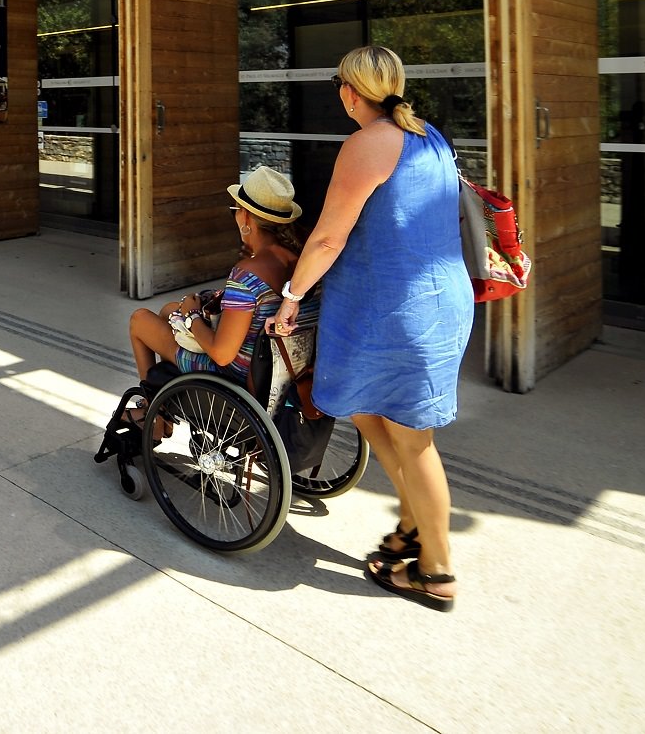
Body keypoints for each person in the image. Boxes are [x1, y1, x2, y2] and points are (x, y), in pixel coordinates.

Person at [275, 45, 473, 612]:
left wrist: (292, 296)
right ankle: (411, 526)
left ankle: (435, 571)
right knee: (366, 408)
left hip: (399, 308)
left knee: (414, 440)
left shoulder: (368, 143)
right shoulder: (427, 134)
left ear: (349, 91)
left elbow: (329, 237)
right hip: (426, 300)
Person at [127, 166, 302, 388]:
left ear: (246, 218)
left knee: (140, 319)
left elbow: (222, 354)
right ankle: (161, 409)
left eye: (235, 210)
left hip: (234, 376)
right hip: (274, 370)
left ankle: (150, 410)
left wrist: (192, 315)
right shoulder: (300, 263)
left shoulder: (247, 273)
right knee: (168, 311)